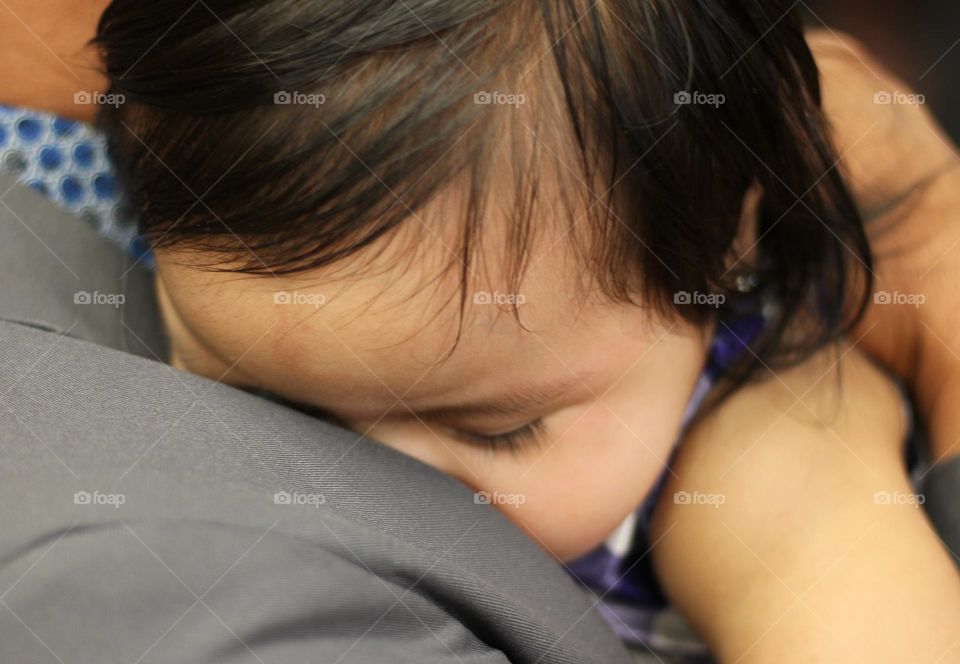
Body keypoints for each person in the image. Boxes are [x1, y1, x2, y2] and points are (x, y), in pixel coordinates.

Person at [1, 0, 958, 661]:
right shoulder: (74, 198)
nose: (385, 484)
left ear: (720, 251)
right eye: (271, 409)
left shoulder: (769, 458)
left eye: (496, 429)